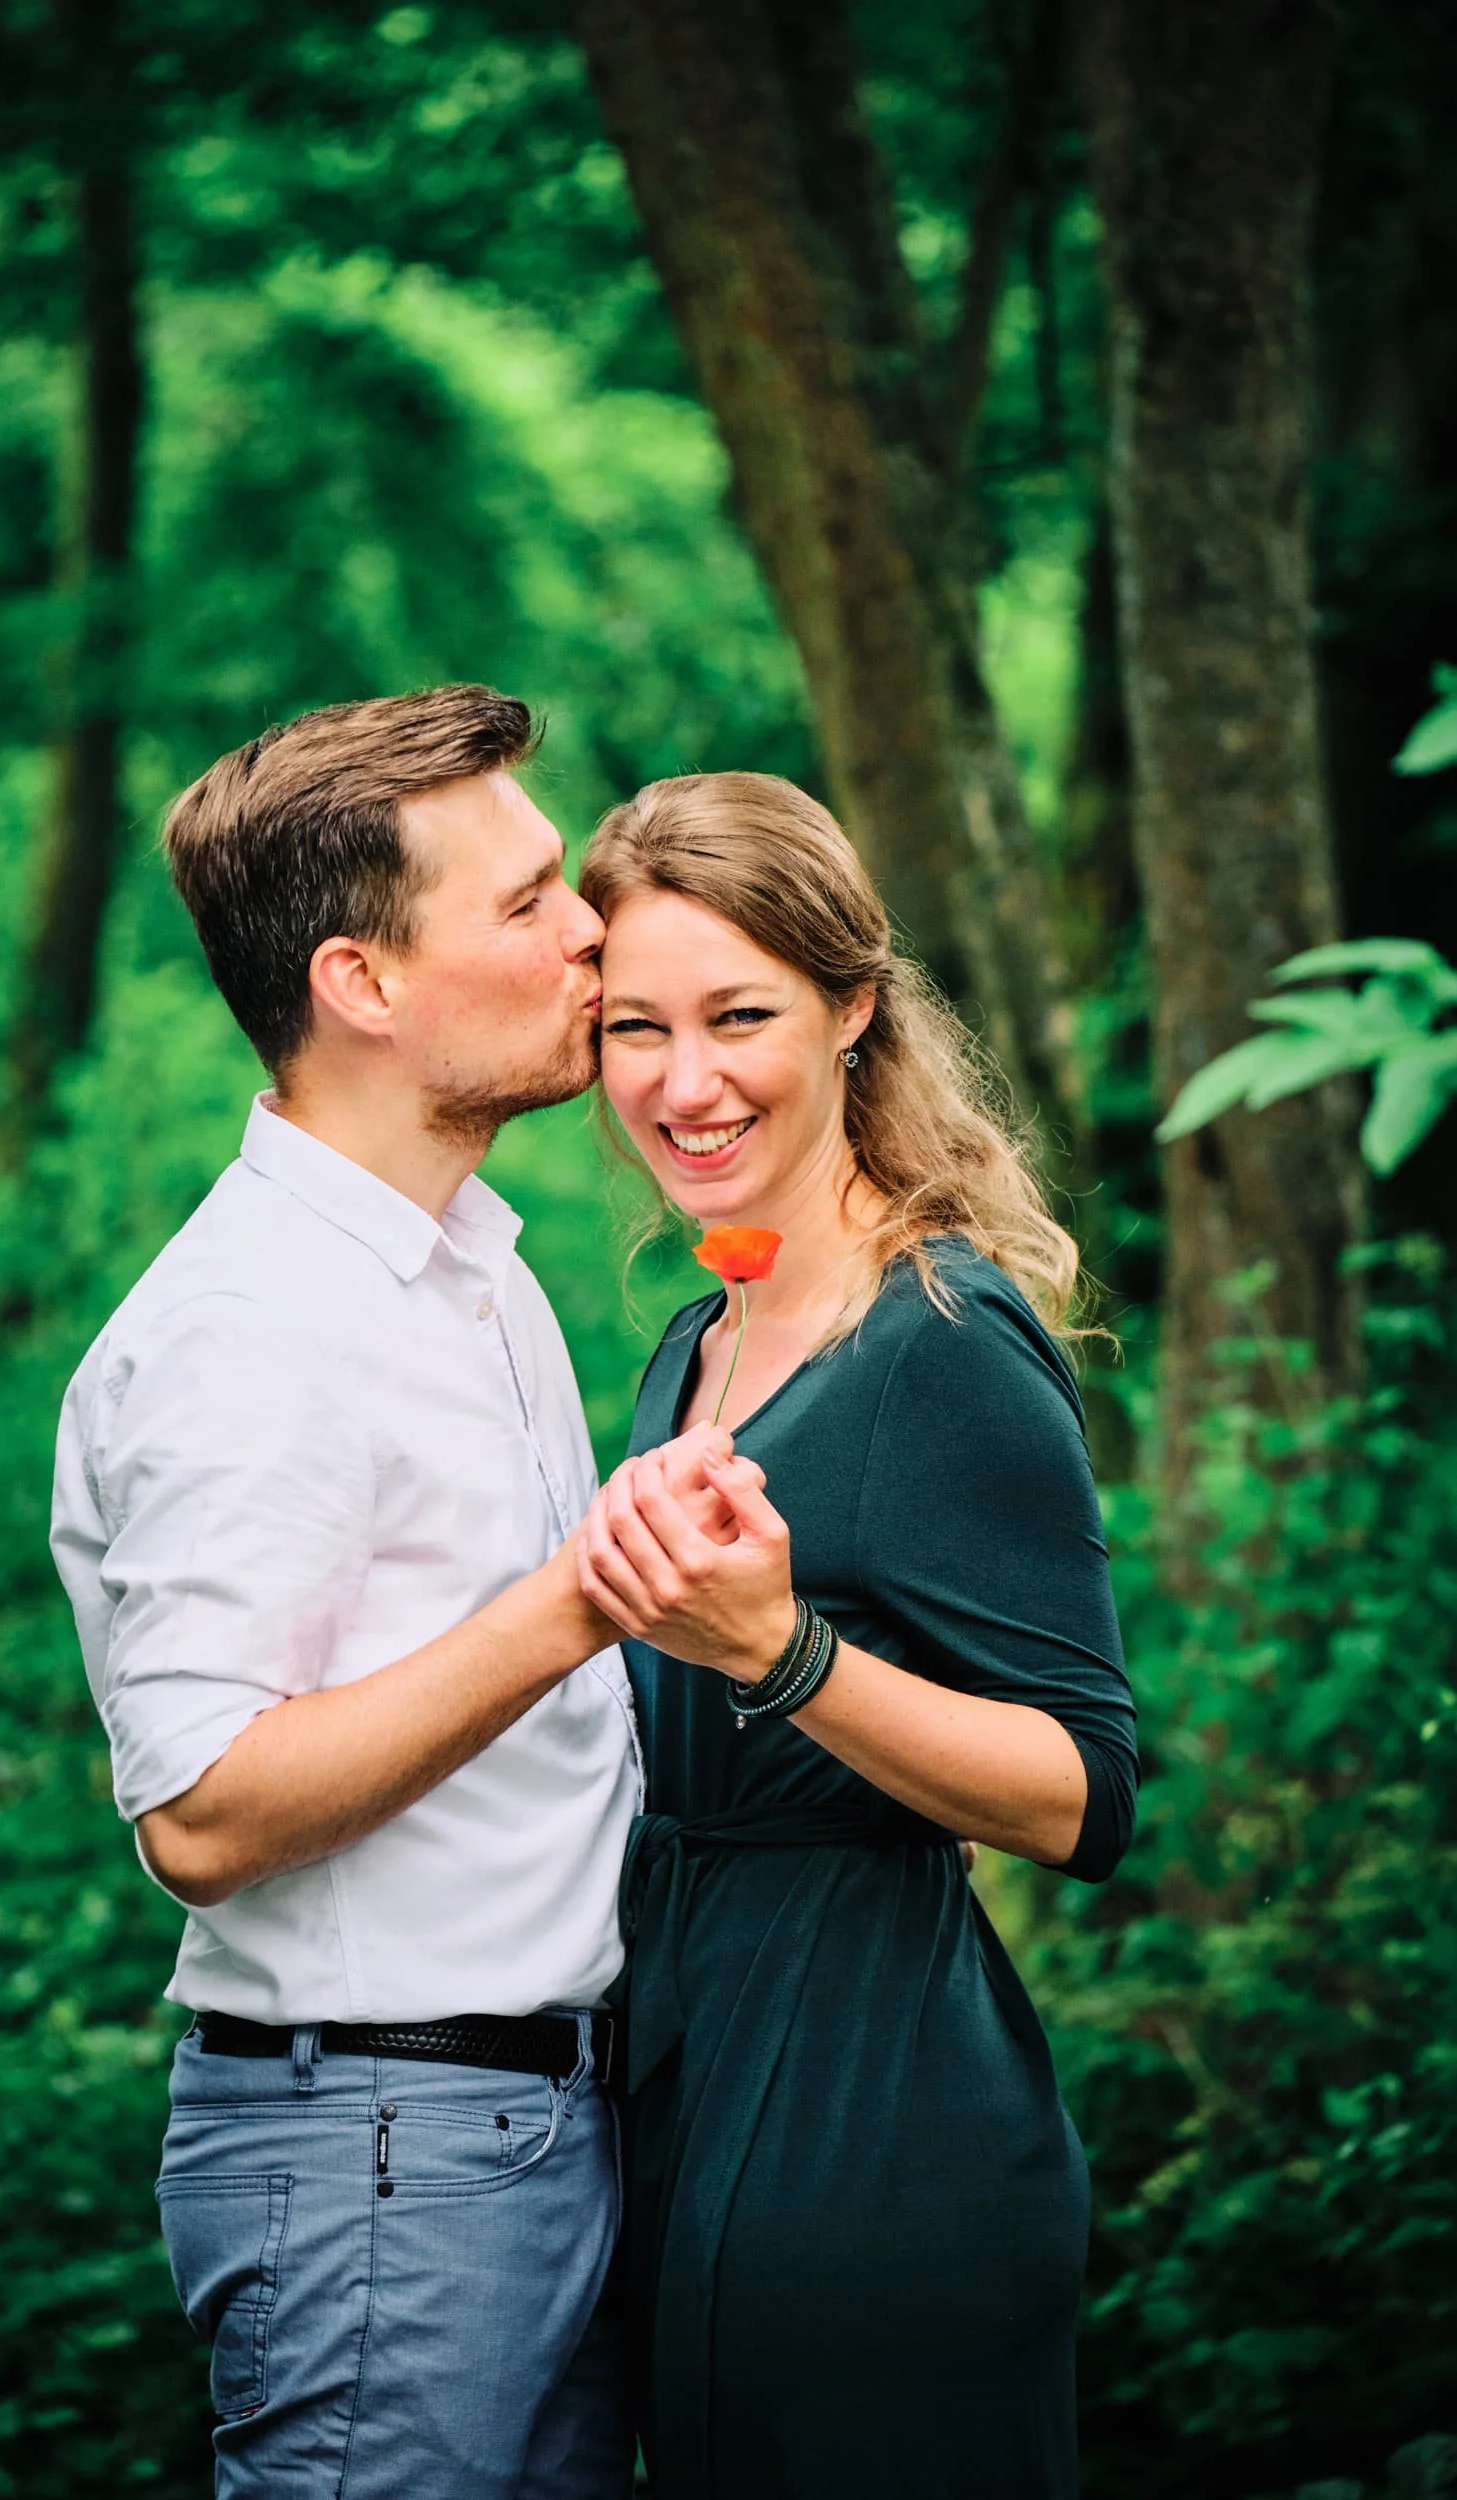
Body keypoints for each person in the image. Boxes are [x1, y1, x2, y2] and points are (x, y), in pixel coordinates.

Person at [50, 686, 707, 2499]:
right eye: (523, 903)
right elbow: (199, 1811)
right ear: (362, 984)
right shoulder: (251, 1330)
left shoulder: (466, 1271)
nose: (588, 929)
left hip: (523, 2125)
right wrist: (574, 1605)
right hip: (378, 2152)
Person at [572, 772, 1140, 2500]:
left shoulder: (942, 1343)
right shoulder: (697, 1337)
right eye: (633, 1027)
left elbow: (1081, 1795)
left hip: (869, 2126)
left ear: (852, 1011)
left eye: (739, 1016)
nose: (685, 1082)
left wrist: (784, 1656)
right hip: (679, 2076)